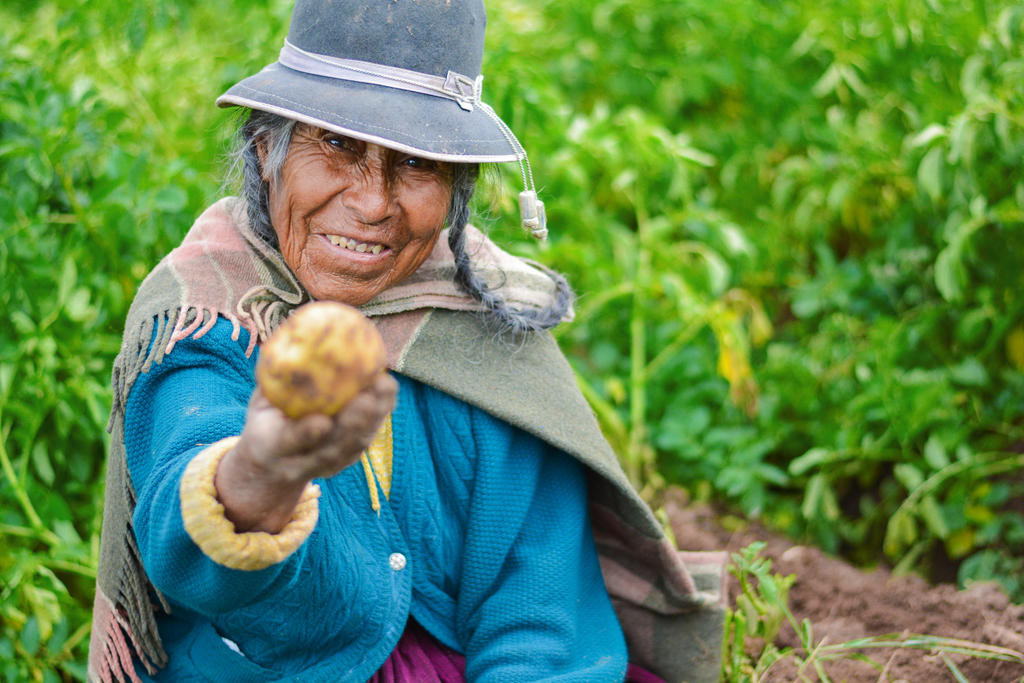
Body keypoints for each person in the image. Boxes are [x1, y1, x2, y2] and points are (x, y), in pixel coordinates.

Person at [88, 1, 727, 681]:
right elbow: (184, 524)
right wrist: (263, 473)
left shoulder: (488, 325)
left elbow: (539, 619)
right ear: (265, 148)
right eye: (335, 144)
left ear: (456, 188)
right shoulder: (207, 309)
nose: (372, 202)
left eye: (417, 162)